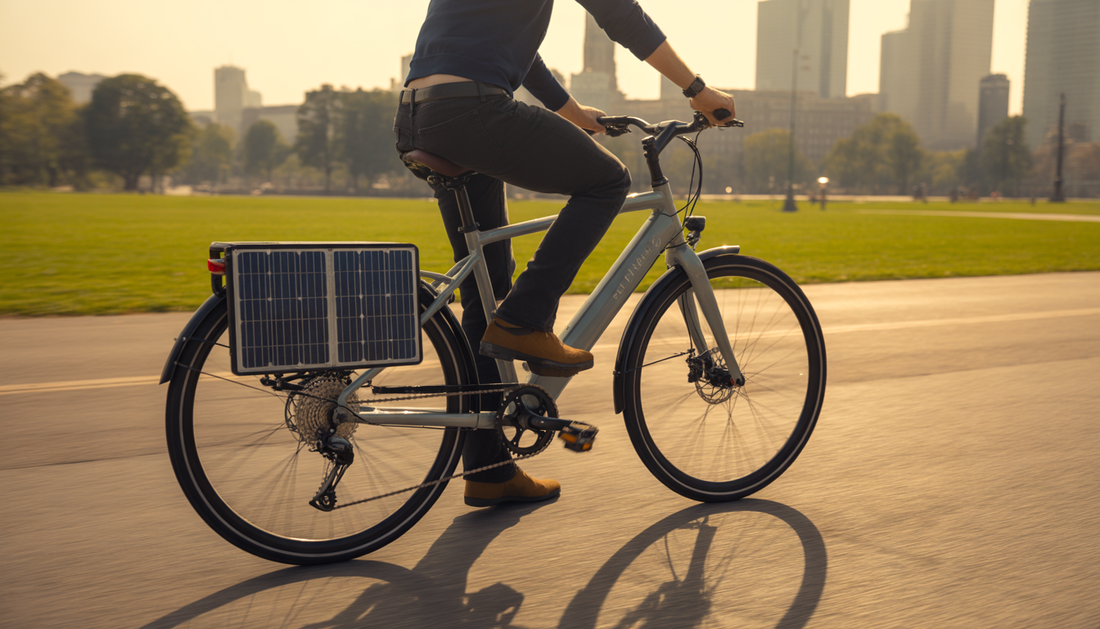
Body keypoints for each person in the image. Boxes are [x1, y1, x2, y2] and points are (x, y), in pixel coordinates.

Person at [394, 0, 737, 508]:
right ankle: (527, 322)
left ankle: (490, 470)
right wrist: (697, 90)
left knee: (485, 292)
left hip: (419, 115)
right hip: (474, 110)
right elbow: (621, 15)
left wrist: (571, 113)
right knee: (607, 181)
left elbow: (517, 51)